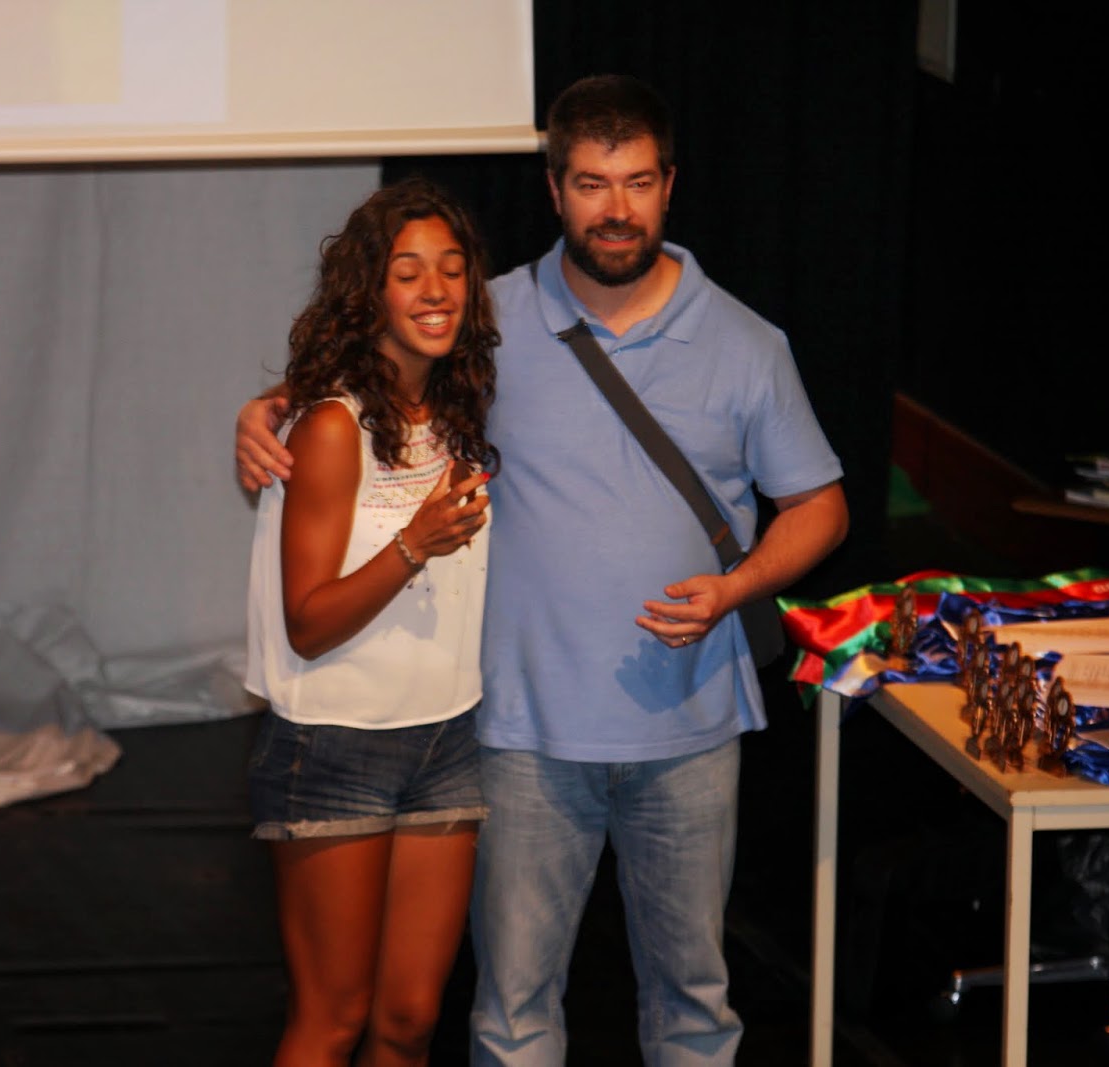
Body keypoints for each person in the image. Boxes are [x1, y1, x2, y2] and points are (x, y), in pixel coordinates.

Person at [238, 76, 848, 1066]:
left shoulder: (747, 344)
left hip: (690, 731)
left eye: (638, 182)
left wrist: (737, 589)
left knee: (695, 1004)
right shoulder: (488, 320)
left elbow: (821, 504)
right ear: (556, 190)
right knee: (511, 1012)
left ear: (670, 186)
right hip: (519, 735)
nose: (617, 209)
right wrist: (268, 410)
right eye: (593, 184)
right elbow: (367, 366)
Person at [243, 177, 500, 1067]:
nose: (436, 290)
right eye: (409, 271)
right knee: (333, 1019)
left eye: (452, 269)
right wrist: (414, 544)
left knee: (410, 1020)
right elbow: (307, 622)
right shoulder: (329, 425)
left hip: (447, 739)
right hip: (334, 747)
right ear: (370, 291)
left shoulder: (458, 408)